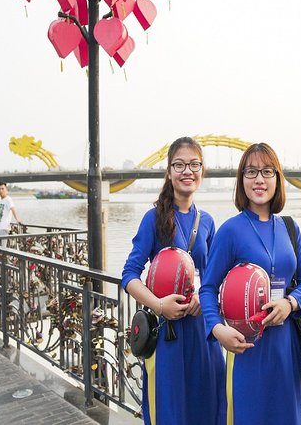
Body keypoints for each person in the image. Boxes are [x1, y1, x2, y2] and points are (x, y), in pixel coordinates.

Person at [199, 143, 301, 425]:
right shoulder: (230, 231)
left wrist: (290, 303)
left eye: (266, 171)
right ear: (241, 180)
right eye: (251, 172)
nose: (259, 179)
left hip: (287, 348)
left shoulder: (289, 227)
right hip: (248, 347)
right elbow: (208, 288)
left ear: (277, 179)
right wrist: (217, 329)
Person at [121, 137, 226, 425]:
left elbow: (213, 279)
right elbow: (129, 275)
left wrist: (202, 299)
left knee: (207, 404)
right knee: (170, 410)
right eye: (179, 165)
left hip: (202, 331)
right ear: (169, 171)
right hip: (168, 335)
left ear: (202, 171)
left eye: (194, 164)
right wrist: (158, 304)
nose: (187, 171)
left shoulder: (207, 222)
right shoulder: (153, 219)